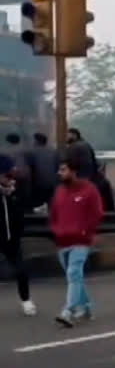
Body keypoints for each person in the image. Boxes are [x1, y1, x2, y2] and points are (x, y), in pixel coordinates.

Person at [49, 159, 104, 328]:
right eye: (60, 170)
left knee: (73, 273)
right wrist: (56, 231)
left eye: (64, 170)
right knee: (75, 277)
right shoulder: (59, 191)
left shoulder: (89, 189)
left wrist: (86, 232)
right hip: (62, 241)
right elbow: (54, 214)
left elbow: (97, 213)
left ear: (74, 171)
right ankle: (86, 307)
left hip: (80, 240)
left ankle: (68, 311)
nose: (60, 173)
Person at [0, 157, 35, 316]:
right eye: (7, 176)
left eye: (12, 175)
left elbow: (21, 212)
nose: (10, 179)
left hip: (12, 239)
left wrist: (14, 196)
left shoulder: (15, 192)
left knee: (21, 270)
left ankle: (26, 301)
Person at [27, 132, 59, 210]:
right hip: (52, 183)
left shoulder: (32, 152)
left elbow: (29, 169)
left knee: (37, 204)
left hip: (38, 183)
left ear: (37, 141)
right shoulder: (54, 152)